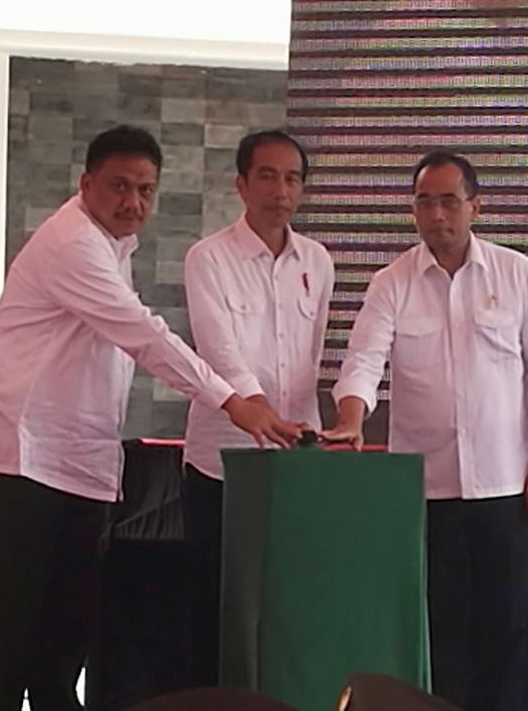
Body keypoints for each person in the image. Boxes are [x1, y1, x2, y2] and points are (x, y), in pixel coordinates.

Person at [0, 125, 301, 711]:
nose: (134, 202)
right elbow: (145, 336)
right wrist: (234, 403)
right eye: (119, 186)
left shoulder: (111, 246)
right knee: (17, 604)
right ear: (87, 184)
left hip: (81, 454)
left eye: (146, 190)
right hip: (30, 450)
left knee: (68, 612)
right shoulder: (73, 243)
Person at [323, 150, 528, 711]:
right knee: (436, 630)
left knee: (504, 627)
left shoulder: (516, 273)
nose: (436, 214)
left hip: (503, 488)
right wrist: (350, 419)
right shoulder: (392, 283)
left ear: (474, 207)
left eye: (448, 201)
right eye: (424, 202)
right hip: (425, 493)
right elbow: (364, 360)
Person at [181, 129, 334, 686]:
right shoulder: (208, 258)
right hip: (223, 463)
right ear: (242, 185)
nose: (281, 190)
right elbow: (219, 351)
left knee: (291, 605)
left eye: (292, 178)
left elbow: (312, 354)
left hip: (297, 464)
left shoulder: (317, 261)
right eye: (267, 176)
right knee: (217, 609)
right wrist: (262, 411)